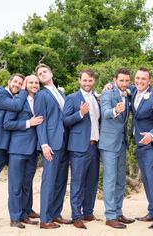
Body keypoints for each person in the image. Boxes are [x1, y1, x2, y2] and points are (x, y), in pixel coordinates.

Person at [0, 74, 38, 219]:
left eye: (20, 83)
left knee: (24, 180)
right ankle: (17, 214)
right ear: (9, 81)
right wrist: (24, 89)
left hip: (11, 145)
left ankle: (25, 210)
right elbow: (16, 106)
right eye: (16, 82)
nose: (17, 85)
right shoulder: (0, 93)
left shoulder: (16, 96)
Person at [3, 75, 43, 228]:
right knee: (16, 186)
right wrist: (28, 123)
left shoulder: (39, 99)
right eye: (30, 82)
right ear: (25, 85)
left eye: (36, 82)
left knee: (27, 185)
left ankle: (24, 214)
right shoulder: (17, 101)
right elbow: (7, 123)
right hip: (18, 150)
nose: (34, 85)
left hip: (33, 150)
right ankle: (14, 218)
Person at [34, 64, 70, 229]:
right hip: (51, 144)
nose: (42, 74)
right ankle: (45, 219)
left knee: (61, 180)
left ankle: (56, 214)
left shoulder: (62, 93)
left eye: (44, 71)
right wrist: (44, 144)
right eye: (40, 74)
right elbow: (40, 122)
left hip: (65, 142)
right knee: (49, 180)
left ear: (51, 73)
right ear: (39, 79)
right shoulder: (41, 95)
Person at [63, 69, 100, 229]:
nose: (87, 83)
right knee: (77, 182)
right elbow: (64, 120)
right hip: (78, 147)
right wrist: (80, 113)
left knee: (92, 182)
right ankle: (76, 216)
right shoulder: (72, 98)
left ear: (93, 82)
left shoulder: (96, 99)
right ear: (80, 80)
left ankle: (88, 212)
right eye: (84, 80)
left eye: (90, 81)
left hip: (95, 146)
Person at [131, 68, 153, 229]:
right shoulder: (133, 92)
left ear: (150, 81)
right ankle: (152, 211)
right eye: (137, 78)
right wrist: (109, 85)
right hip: (140, 144)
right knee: (146, 180)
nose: (140, 81)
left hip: (152, 145)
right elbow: (119, 84)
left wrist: (152, 135)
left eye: (143, 79)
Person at [98, 68, 135, 229]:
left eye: (127, 81)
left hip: (121, 143)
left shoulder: (128, 92)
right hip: (108, 143)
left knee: (120, 179)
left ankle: (118, 212)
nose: (124, 83)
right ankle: (110, 216)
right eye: (121, 80)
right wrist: (115, 110)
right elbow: (105, 112)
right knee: (110, 179)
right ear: (115, 79)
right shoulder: (108, 93)